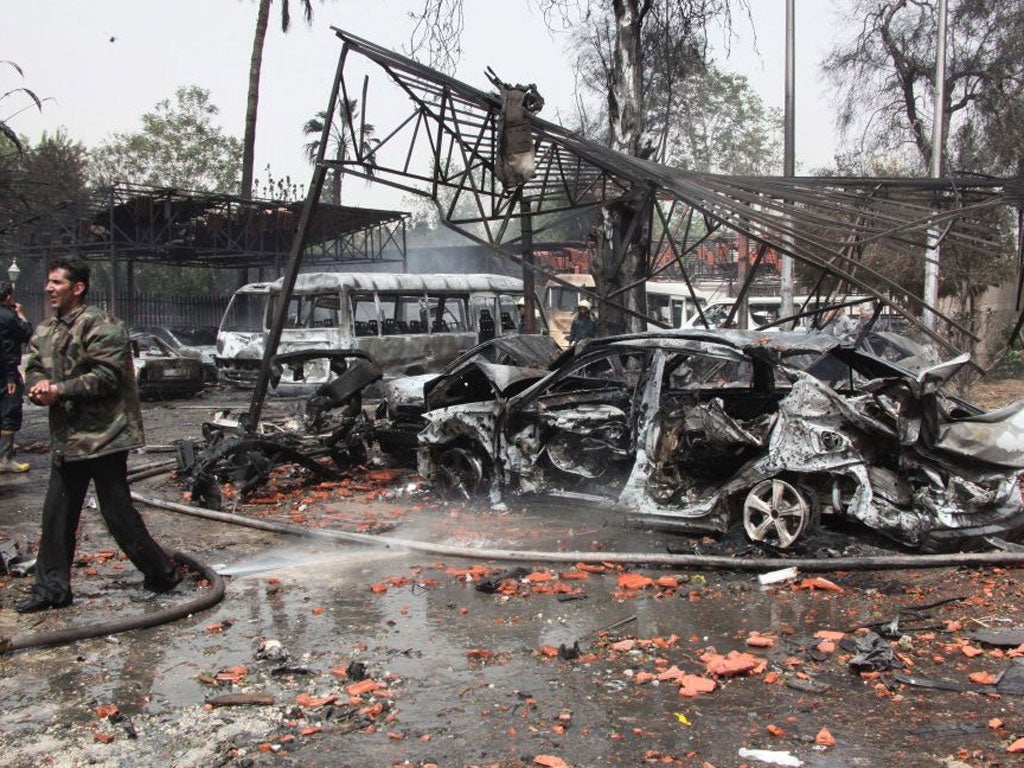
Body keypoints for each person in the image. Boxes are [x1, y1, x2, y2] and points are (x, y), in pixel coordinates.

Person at [17, 256, 180, 613]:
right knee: (56, 514)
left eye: (57, 282)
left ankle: (163, 573)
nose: (48, 288)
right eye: (48, 282)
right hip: (68, 438)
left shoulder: (103, 326)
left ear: (78, 288)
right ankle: (52, 590)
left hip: (106, 436)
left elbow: (106, 378)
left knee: (116, 512)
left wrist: (59, 389)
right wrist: (38, 385)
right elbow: (31, 366)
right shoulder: (45, 330)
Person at [0, 280, 33, 472]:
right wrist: (20, 314)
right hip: (6, 373)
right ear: (9, 297)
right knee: (10, 412)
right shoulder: (8, 317)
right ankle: (5, 459)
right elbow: (27, 334)